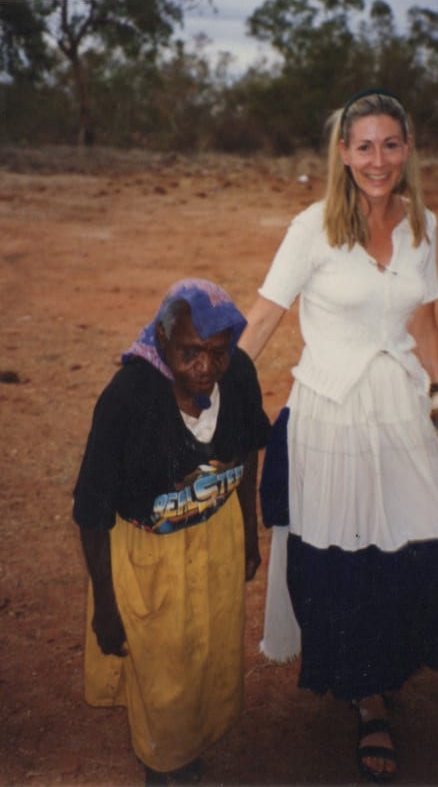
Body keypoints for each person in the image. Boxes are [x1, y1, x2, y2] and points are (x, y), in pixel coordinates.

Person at [239, 89, 438, 783]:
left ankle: (386, 664)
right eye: (363, 146)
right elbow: (264, 316)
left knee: (427, 543)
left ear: (408, 149)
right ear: (342, 153)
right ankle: (369, 701)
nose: (378, 160)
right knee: (347, 559)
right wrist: (199, 392)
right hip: (330, 416)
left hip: (400, 411)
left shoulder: (421, 225)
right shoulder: (311, 228)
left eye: (390, 145)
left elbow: (424, 325)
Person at [73, 278, 271, 785]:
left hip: (216, 538)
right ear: (162, 342)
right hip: (149, 556)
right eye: (189, 353)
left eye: (216, 353)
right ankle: (164, 763)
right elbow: (93, 513)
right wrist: (107, 605)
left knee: (206, 651)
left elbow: (247, 451)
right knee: (163, 669)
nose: (205, 368)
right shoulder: (128, 399)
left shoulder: (239, 377)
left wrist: (248, 534)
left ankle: (183, 743)